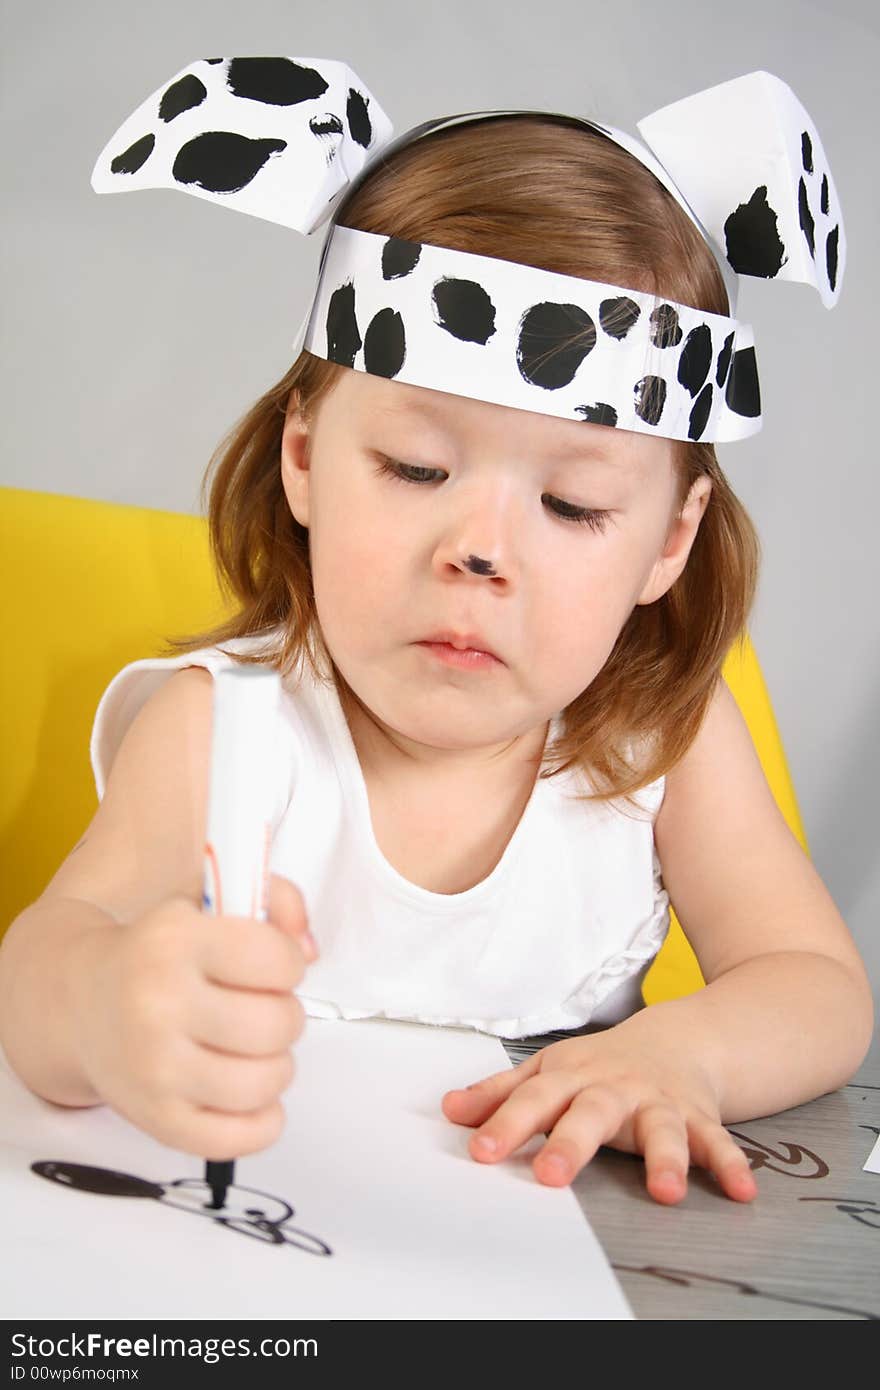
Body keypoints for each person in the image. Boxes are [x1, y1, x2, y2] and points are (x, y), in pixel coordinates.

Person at [0, 59, 872, 1207]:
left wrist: (680, 1052)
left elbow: (815, 987)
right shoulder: (226, 727)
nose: (481, 548)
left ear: (668, 538)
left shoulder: (664, 738)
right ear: (303, 457)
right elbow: (42, 968)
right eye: (417, 467)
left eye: (571, 505)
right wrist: (109, 1005)